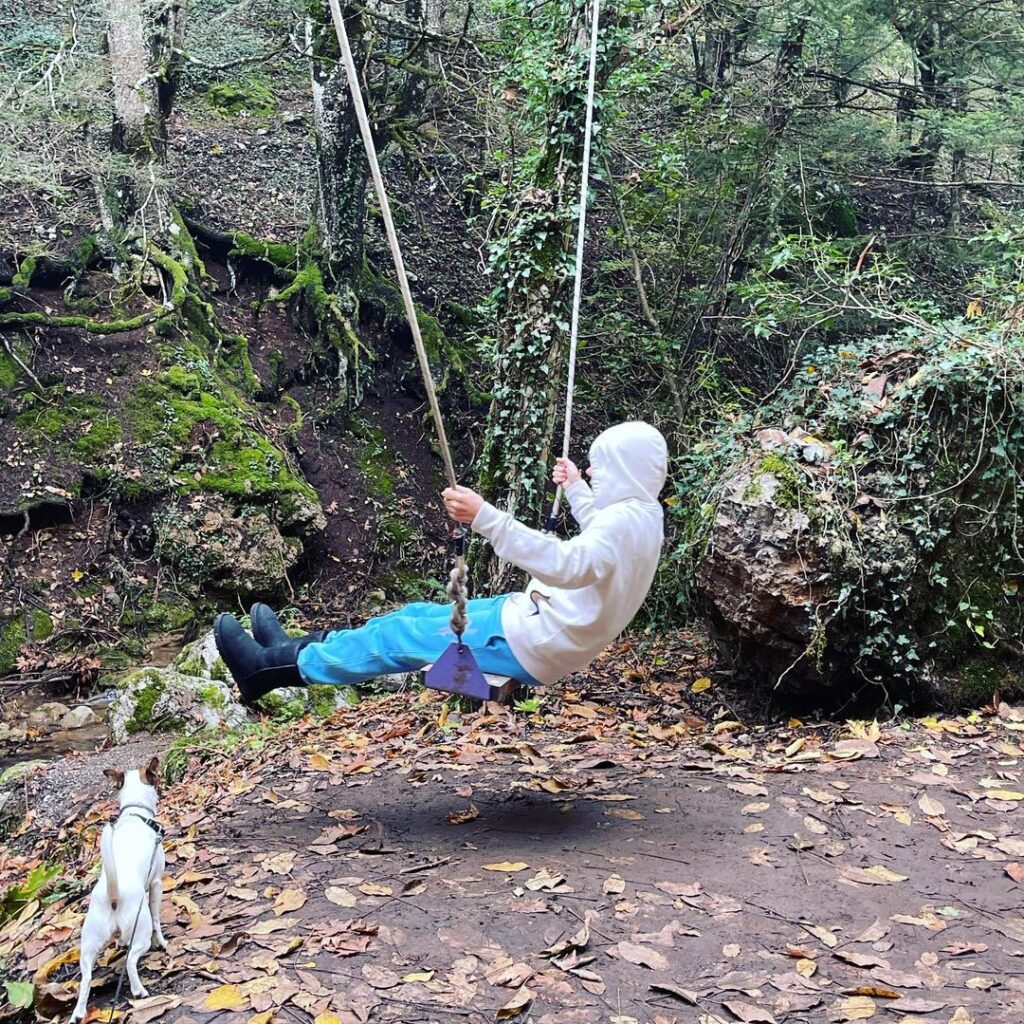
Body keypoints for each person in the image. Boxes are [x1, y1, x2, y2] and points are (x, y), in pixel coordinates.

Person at [214, 421, 668, 702]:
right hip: (532, 623)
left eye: (596, 467)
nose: (590, 471)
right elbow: (600, 538)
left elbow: (569, 564)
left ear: (623, 471)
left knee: (396, 638)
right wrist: (575, 489)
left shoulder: (622, 525)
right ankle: (291, 650)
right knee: (408, 616)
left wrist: (486, 518)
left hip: (527, 640)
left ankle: (267, 671)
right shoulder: (643, 515)